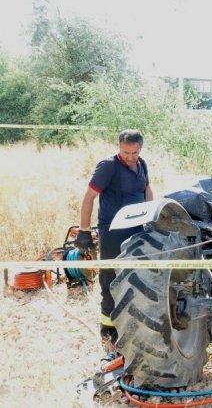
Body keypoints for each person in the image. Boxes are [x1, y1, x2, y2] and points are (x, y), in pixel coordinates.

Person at [74, 129, 153, 343]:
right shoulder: (108, 166)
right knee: (110, 277)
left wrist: (151, 216)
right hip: (112, 230)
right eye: (125, 152)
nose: (130, 156)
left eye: (134, 152)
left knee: (136, 276)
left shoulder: (142, 164)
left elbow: (147, 189)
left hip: (137, 228)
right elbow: (89, 196)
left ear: (140, 149)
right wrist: (83, 230)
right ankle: (108, 328)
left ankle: (132, 320)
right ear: (119, 147)